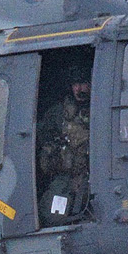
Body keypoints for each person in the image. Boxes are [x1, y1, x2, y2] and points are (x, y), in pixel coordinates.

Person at [37, 75, 93, 222]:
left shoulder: (99, 110)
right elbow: (43, 139)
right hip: (65, 178)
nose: (78, 89)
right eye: (75, 84)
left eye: (82, 83)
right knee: (53, 216)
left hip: (93, 177)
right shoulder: (57, 113)